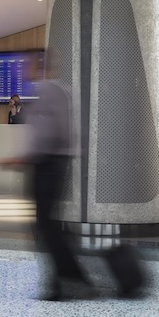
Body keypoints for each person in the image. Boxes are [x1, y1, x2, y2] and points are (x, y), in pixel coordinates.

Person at [5, 78, 95, 301]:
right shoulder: (61, 91)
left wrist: (22, 157)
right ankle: (67, 279)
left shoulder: (48, 90)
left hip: (47, 164)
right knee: (49, 224)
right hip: (53, 163)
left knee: (46, 225)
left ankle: (69, 280)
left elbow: (46, 134)